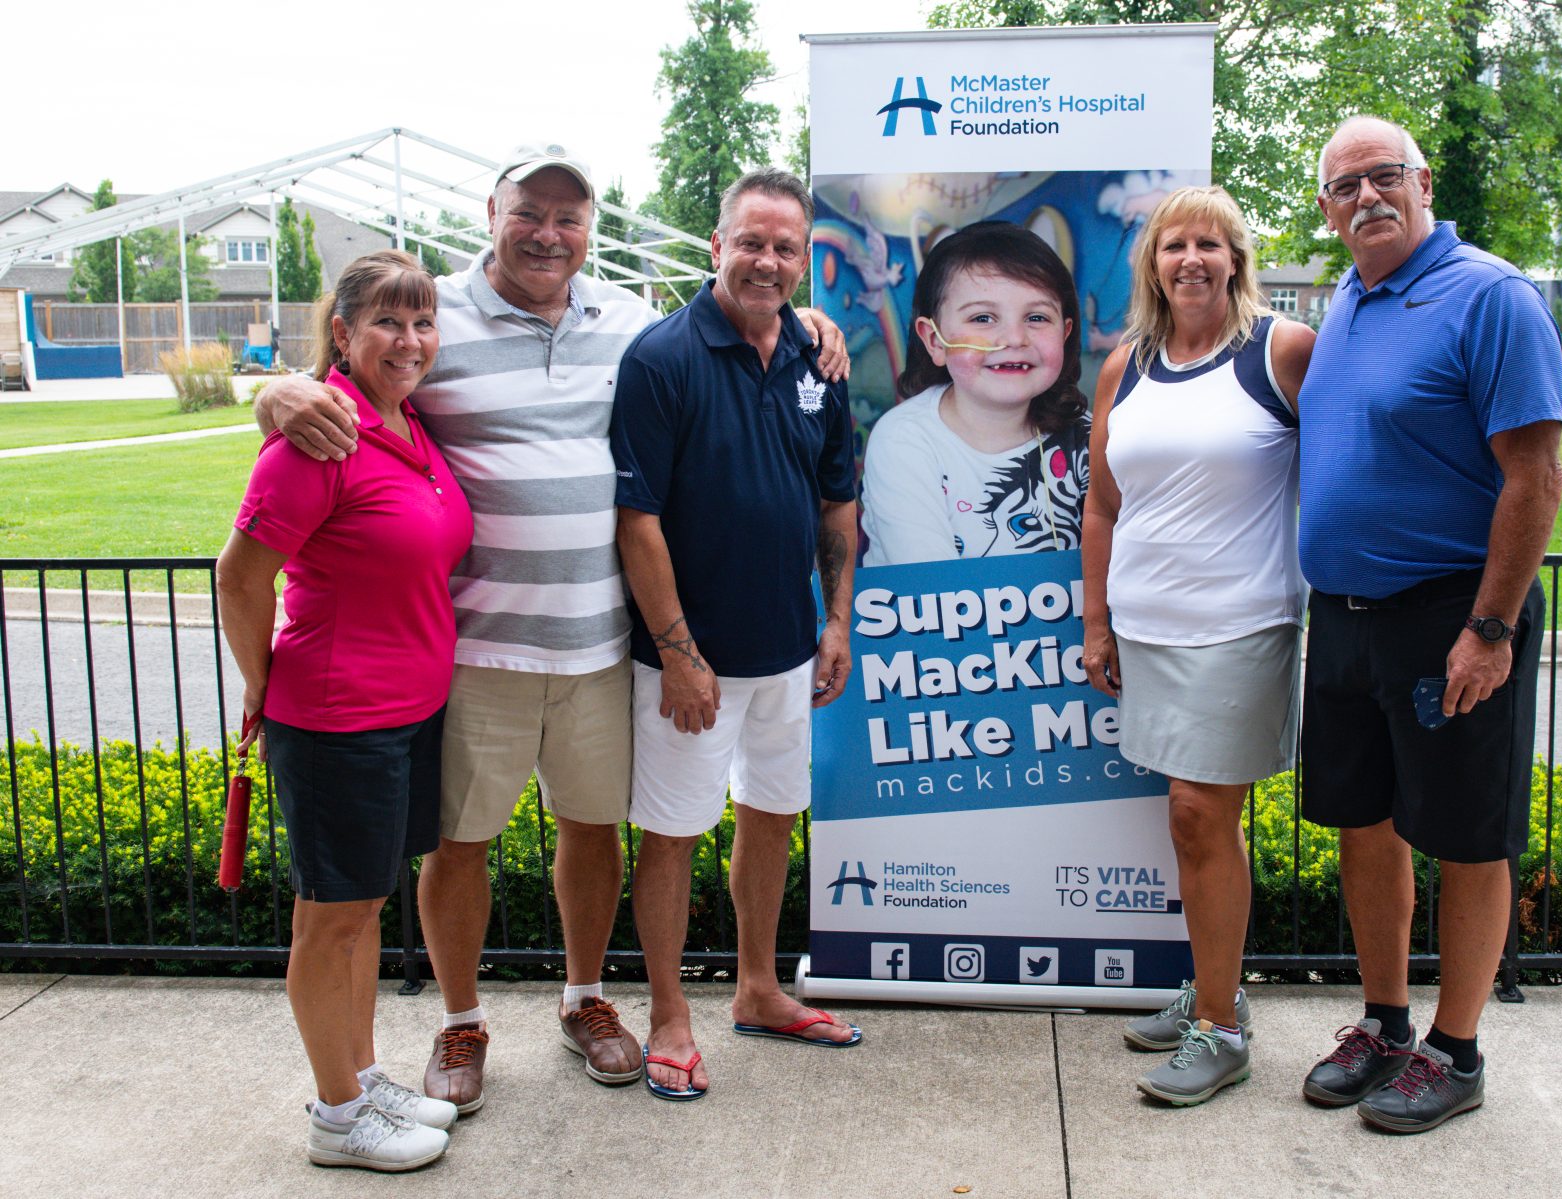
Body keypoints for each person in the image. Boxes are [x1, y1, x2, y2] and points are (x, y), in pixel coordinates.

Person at [254, 143, 850, 1113]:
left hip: (599, 644)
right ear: (492, 211)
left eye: (570, 217)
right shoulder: (436, 313)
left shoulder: (626, 322)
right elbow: (359, 358)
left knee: (593, 830)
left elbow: (737, 321)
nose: (548, 232)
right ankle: (460, 1017)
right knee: (461, 844)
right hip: (479, 645)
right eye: (530, 211)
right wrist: (273, 390)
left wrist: (805, 317)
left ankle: (583, 999)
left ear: (590, 232)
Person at [1296, 116, 1562, 1134]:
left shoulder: (1489, 295)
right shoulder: (1351, 300)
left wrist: (1490, 627)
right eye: (1344, 186)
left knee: (1463, 834)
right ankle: (1385, 1022)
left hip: (1453, 614)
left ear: (1423, 181)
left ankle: (1457, 1050)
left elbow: (1534, 475)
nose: (1366, 196)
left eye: (1383, 176)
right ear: (1326, 209)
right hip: (1349, 620)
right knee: (1365, 823)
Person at [613, 166, 862, 1103]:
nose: (766, 260)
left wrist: (833, 622)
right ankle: (670, 1013)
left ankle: (758, 988)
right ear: (716, 246)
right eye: (750, 242)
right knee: (673, 832)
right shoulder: (661, 358)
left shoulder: (815, 359)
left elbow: (838, 503)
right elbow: (636, 519)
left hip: (788, 652)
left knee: (770, 814)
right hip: (688, 664)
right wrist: (679, 652)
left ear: (804, 260)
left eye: (785, 247)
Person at [218, 249, 471, 1170]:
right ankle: (336, 1116)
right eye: (387, 323)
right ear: (342, 334)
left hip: (406, 713)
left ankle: (360, 1074)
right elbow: (239, 577)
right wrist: (262, 679)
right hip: (334, 717)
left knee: (363, 910)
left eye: (422, 322)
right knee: (331, 918)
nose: (409, 341)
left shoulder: (404, 424)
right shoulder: (319, 438)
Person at [1080, 186, 1314, 1107]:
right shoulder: (1125, 367)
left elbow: (1348, 453)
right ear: (1153, 263)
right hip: (1148, 629)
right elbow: (1104, 504)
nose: (1191, 259)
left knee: (1196, 816)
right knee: (1196, 823)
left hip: (1240, 626)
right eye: (1174, 243)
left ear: (1236, 260)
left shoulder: (1282, 351)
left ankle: (1219, 1029)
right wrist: (1097, 620)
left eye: (1210, 244)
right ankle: (1214, 993)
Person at [861, 221, 1089, 565]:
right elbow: (936, 589)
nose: (1014, 338)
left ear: (1065, 333)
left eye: (1037, 318)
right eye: (983, 318)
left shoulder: (1089, 436)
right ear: (935, 340)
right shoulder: (904, 440)